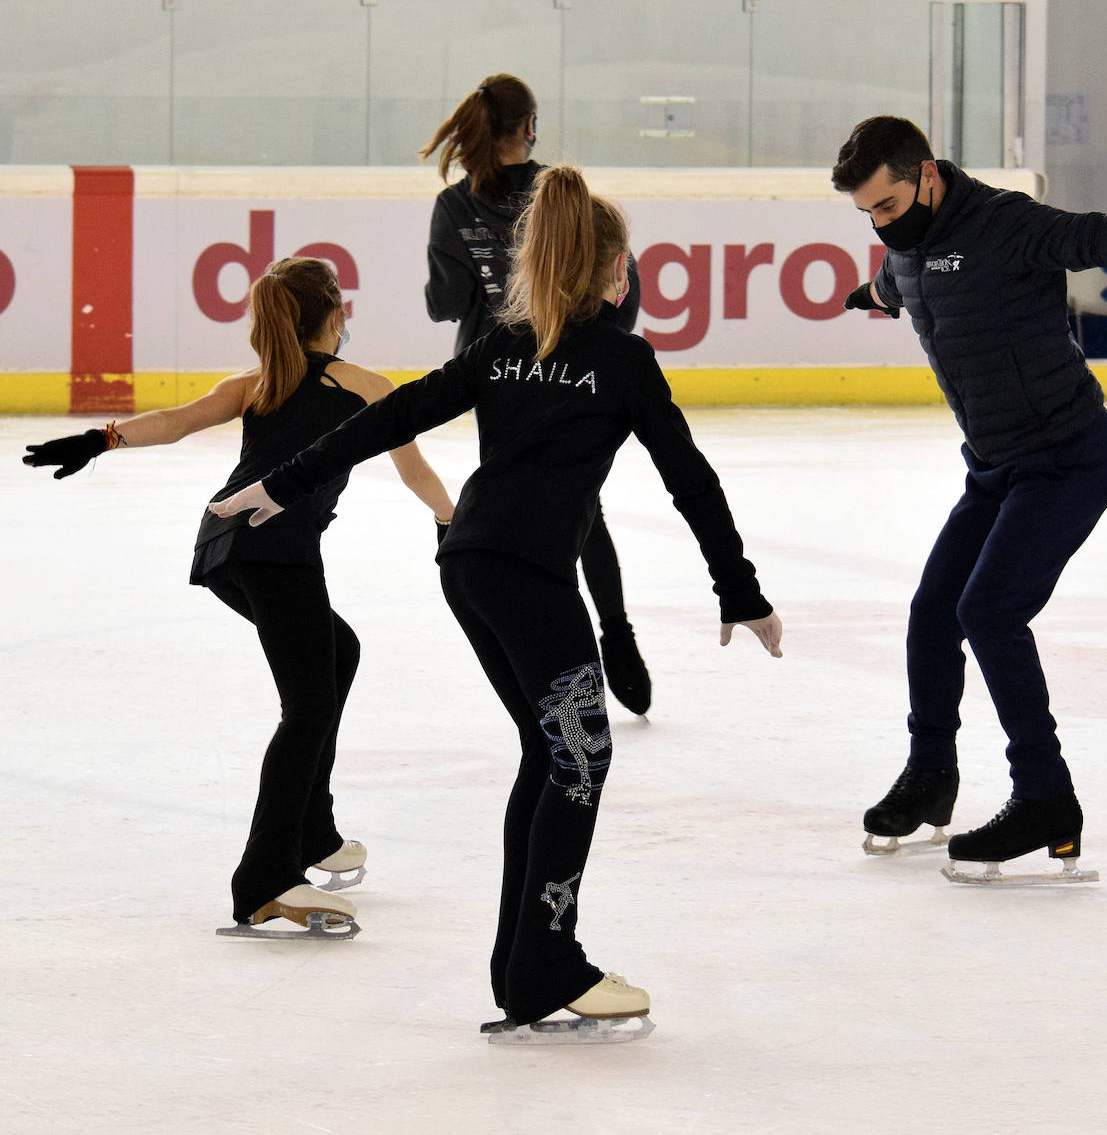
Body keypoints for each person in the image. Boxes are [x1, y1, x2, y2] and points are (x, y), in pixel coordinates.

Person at [208, 166, 783, 1039]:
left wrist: (281, 482)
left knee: (551, 755)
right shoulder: (620, 359)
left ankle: (524, 967)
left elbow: (394, 414)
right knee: (580, 760)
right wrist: (738, 588)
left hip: (471, 564)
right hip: (525, 576)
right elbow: (689, 479)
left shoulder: (504, 343)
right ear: (616, 268)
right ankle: (546, 963)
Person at [832, 116, 1107, 877]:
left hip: (1068, 457)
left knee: (988, 610)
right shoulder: (909, 248)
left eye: (887, 205)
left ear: (926, 174)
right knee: (934, 611)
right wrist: (865, 292)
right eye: (867, 214)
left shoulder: (1004, 224)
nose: (880, 223)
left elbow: (1104, 237)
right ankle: (931, 776)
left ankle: (1046, 798)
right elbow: (898, 285)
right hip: (994, 465)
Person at [23, 257, 454, 934]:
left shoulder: (259, 382)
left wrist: (98, 438)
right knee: (309, 702)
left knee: (338, 651)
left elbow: (176, 421)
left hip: (225, 544)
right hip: (274, 550)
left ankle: (313, 832)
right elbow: (416, 472)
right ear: (336, 317)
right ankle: (266, 877)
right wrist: (452, 522)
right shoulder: (366, 385)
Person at [419, 72, 652, 718]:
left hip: (495, 377)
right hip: (572, 362)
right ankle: (615, 634)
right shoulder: (559, 193)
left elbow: (443, 304)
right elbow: (620, 284)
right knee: (580, 504)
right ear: (529, 127)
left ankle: (569, 634)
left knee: (520, 494)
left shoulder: (455, 206)